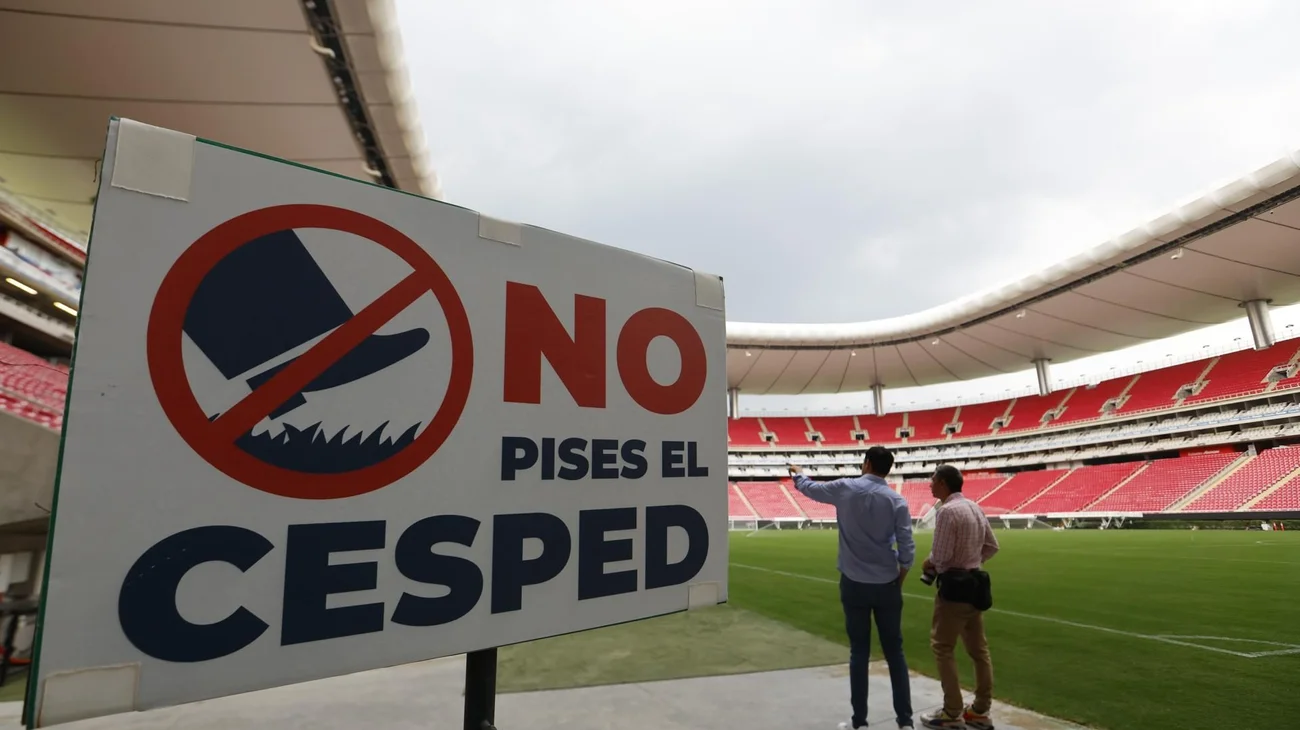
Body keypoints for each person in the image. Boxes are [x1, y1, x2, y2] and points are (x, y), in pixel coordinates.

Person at [788, 445, 915, 730]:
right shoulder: (897, 501)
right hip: (887, 583)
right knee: (895, 652)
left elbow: (809, 489)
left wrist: (798, 474)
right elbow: (907, 548)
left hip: (854, 582)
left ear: (867, 463)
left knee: (859, 652)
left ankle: (860, 722)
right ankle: (905, 722)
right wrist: (900, 578)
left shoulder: (845, 488)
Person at [919, 465, 999, 730]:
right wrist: (972, 562)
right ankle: (980, 710)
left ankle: (952, 712)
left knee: (943, 648)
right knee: (979, 650)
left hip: (953, 589)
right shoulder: (975, 507)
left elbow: (940, 558)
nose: (930, 485)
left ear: (942, 483)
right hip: (975, 585)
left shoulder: (947, 512)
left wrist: (927, 564)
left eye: (932, 481)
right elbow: (991, 546)